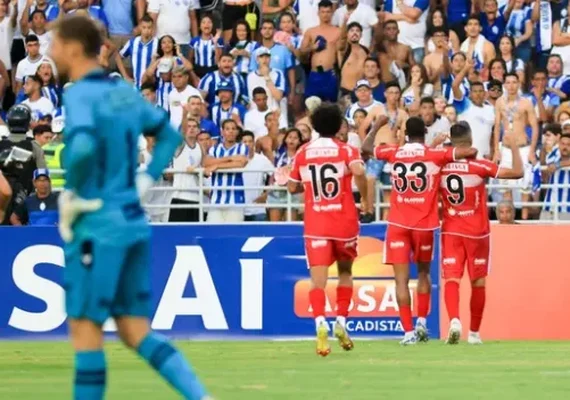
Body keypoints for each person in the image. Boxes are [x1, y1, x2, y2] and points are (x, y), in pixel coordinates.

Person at [49, 15, 211, 400]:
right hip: (133, 222)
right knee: (134, 329)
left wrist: (75, 193)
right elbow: (170, 135)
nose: (51, 50)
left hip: (97, 224)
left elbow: (85, 147)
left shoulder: (79, 94)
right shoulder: (123, 92)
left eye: (55, 42)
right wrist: (145, 177)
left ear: (73, 48)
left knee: (86, 331)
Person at [361, 117, 478, 345]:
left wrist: (377, 126)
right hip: (424, 225)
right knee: (424, 274)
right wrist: (442, 146)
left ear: (405, 134)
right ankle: (422, 322)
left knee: (401, 282)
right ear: (424, 132)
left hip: (398, 226)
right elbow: (470, 151)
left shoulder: (395, 153)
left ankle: (407, 333)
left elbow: (365, 149)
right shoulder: (434, 155)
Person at [288, 103, 368, 356]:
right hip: (344, 222)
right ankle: (341, 322)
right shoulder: (346, 149)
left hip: (316, 224)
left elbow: (291, 187)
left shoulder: (303, 152)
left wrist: (308, 186)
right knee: (345, 272)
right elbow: (358, 171)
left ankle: (320, 322)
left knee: (317, 281)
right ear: (338, 127)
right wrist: (365, 198)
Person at [440, 122, 523, 345]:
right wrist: (513, 146)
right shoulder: (479, 166)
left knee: (451, 278)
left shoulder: (440, 166)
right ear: (470, 140)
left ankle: (454, 321)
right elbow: (517, 173)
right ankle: (474, 333)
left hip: (451, 230)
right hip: (477, 232)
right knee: (477, 282)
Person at [493, 72, 539, 220]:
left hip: (523, 147)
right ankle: (508, 221)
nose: (511, 86)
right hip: (505, 148)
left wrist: (532, 150)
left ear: (518, 84)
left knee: (525, 186)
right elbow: (497, 127)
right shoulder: (500, 102)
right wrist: (496, 150)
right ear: (504, 85)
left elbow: (535, 126)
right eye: (508, 82)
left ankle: (524, 220)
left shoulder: (526, 102)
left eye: (514, 82)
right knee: (505, 186)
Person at [300, 0, 341, 102]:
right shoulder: (311, 31)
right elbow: (302, 51)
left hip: (330, 74)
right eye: (323, 12)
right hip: (315, 73)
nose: (325, 15)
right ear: (318, 13)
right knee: (311, 106)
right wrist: (312, 47)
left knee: (330, 106)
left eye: (328, 12)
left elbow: (341, 53)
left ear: (332, 13)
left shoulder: (338, 31)